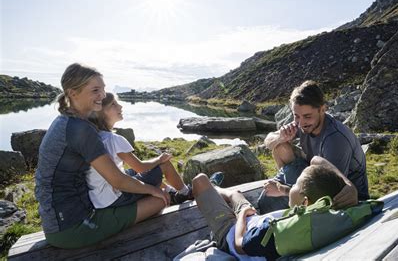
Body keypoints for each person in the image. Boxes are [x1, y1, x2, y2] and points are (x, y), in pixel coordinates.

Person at [35, 63, 170, 249]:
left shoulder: (64, 121)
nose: (103, 95)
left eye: (103, 89)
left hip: (57, 220)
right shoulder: (80, 129)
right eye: (95, 90)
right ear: (73, 93)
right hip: (72, 227)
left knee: (149, 194)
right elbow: (118, 180)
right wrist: (152, 189)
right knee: (159, 200)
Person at [193, 161, 346, 260]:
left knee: (199, 181)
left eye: (295, 186)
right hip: (253, 221)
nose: (291, 188)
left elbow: (239, 245)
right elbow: (317, 161)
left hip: (230, 233)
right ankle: (214, 188)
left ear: (305, 201)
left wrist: (241, 216)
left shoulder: (278, 235)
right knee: (235, 194)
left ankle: (199, 190)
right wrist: (285, 191)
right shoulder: (315, 218)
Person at [258, 80, 369, 214]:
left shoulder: (335, 139)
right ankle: (290, 189)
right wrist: (281, 137)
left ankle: (291, 197)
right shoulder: (301, 122)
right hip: (316, 174)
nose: (301, 122)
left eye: (307, 116)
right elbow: (268, 141)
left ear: (322, 109)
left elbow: (328, 191)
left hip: (343, 198)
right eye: (296, 116)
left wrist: (284, 190)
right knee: (280, 146)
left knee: (272, 202)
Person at [86, 92, 192, 209]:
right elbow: (140, 167)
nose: (120, 107)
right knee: (164, 164)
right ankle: (185, 193)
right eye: (114, 104)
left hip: (99, 196)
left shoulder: (97, 136)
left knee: (134, 172)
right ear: (101, 113)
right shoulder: (114, 139)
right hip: (116, 196)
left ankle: (170, 191)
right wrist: (159, 159)